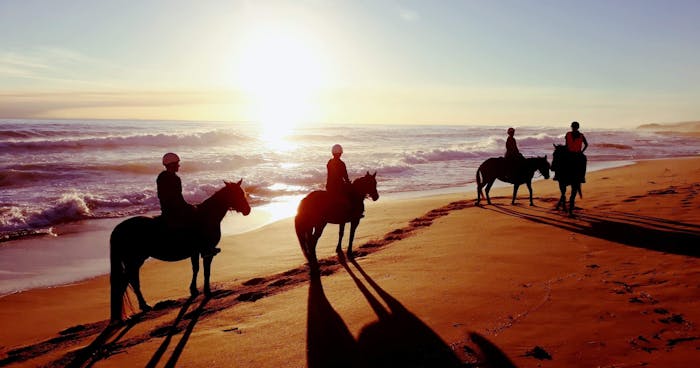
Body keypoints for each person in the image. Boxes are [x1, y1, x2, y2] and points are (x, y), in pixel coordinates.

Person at [157, 152, 219, 257]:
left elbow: (165, 197)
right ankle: (205, 249)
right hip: (175, 212)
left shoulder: (161, 177)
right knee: (198, 221)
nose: (178, 165)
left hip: (166, 210)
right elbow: (177, 199)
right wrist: (189, 207)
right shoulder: (175, 179)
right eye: (177, 163)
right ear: (171, 164)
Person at [326, 144, 361, 216]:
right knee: (350, 195)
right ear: (340, 153)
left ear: (332, 153)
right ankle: (350, 213)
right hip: (338, 186)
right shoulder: (341, 163)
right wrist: (348, 183)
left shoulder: (329, 162)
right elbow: (345, 176)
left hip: (329, 186)